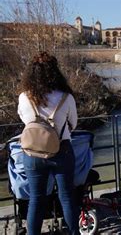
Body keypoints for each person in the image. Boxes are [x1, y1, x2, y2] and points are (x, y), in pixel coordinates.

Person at [17, 52, 79, 234]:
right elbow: (73, 124)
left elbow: (24, 120)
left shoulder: (24, 97)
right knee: (66, 197)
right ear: (55, 72)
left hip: (32, 152)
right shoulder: (66, 97)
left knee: (36, 198)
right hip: (61, 150)